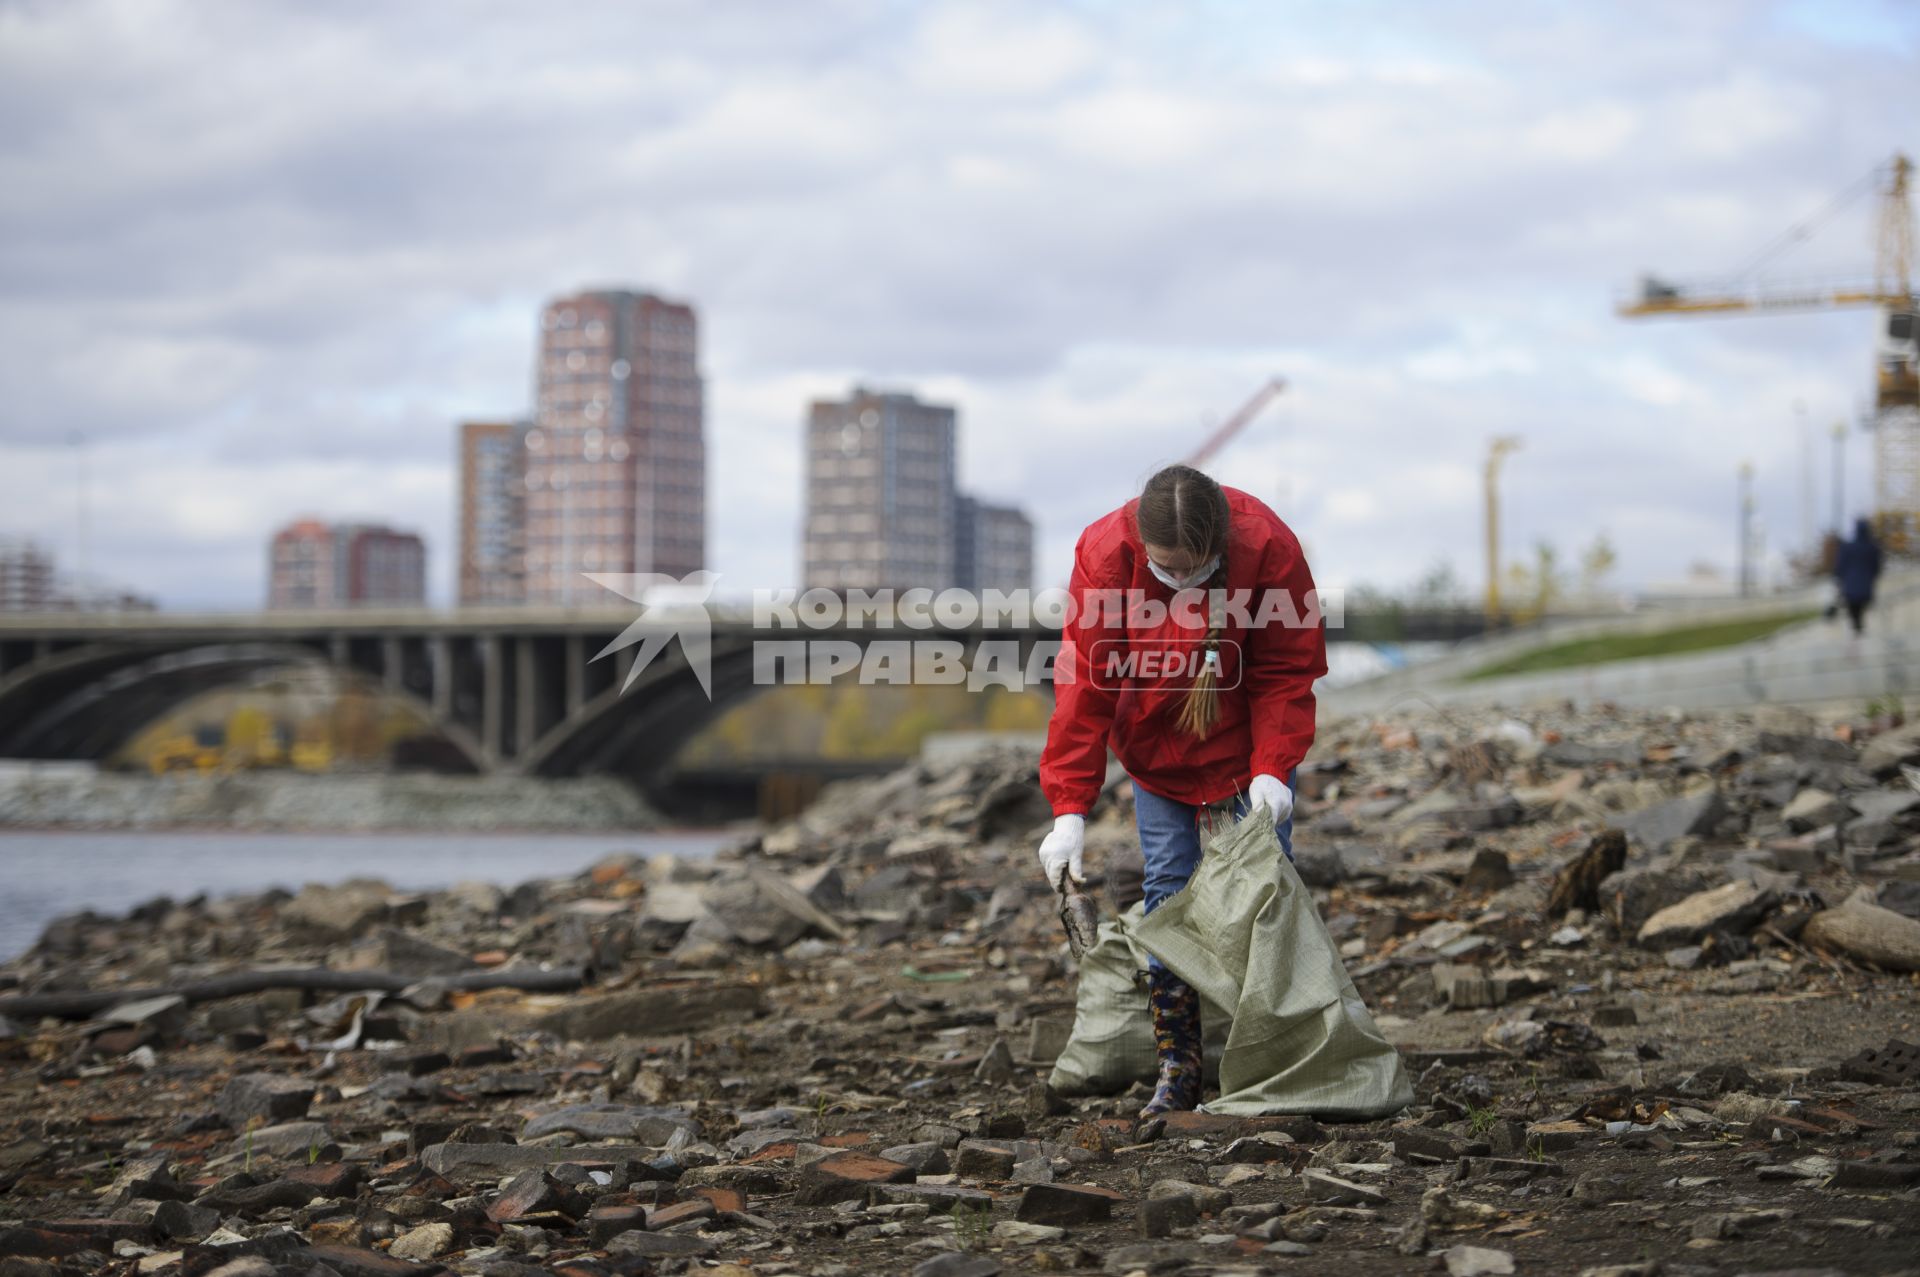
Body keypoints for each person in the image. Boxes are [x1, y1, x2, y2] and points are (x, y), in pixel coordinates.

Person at [1035, 464, 1327, 1117]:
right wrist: (1069, 810)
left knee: (1263, 895)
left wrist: (1274, 768)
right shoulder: (1107, 555)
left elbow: (1286, 668)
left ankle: (1270, 1057)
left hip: (1249, 752)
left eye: (1193, 569)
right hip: (1157, 752)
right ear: (1143, 546)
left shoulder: (1269, 548)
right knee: (1169, 892)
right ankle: (1181, 1065)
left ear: (1221, 546)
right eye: (1166, 569)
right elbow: (1085, 685)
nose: (1179, 580)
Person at [1833, 517, 1883, 635]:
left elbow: (1840, 567)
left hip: (1850, 589)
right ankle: (1859, 632)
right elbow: (1876, 568)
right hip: (1866, 589)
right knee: (1859, 613)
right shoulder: (1873, 548)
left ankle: (1857, 634)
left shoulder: (1847, 547)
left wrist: (1838, 579)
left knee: (1854, 614)